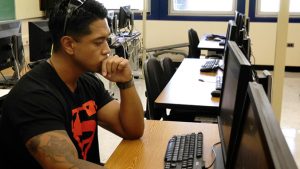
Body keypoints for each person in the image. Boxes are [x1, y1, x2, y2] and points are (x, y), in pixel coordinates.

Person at [0, 0, 144, 168]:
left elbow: (132, 130)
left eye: (107, 39)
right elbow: (69, 166)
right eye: (98, 42)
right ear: (69, 44)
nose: (107, 49)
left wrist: (126, 82)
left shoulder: (87, 82)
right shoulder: (33, 97)